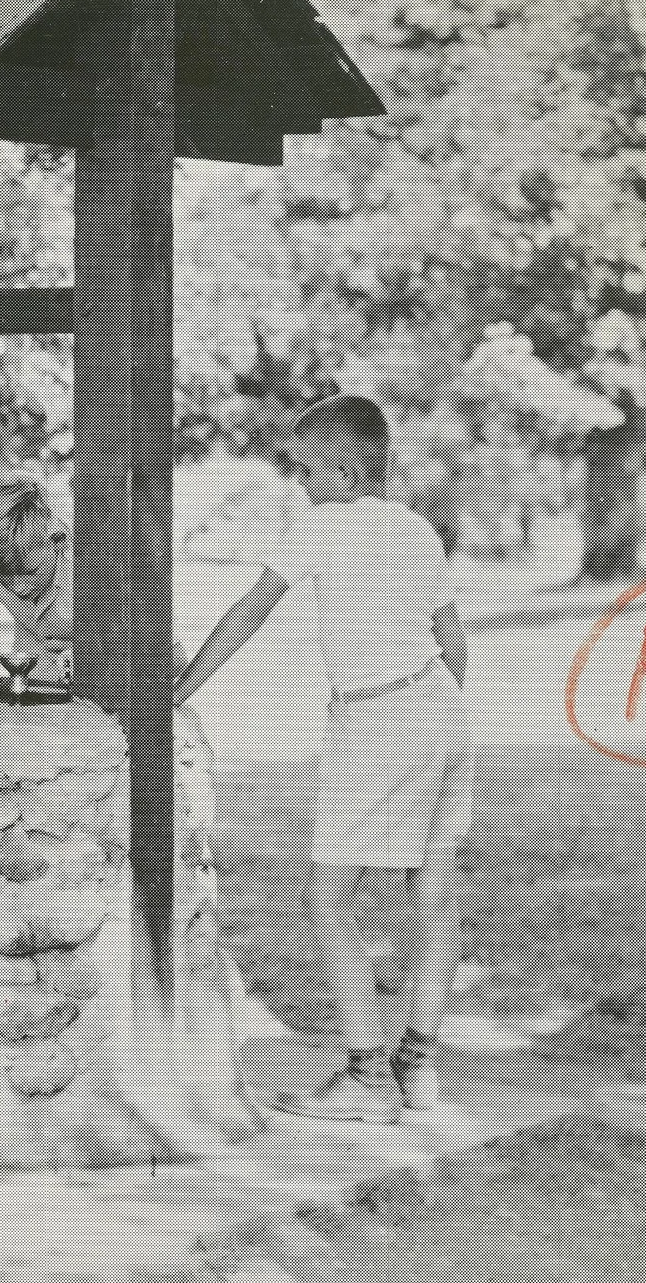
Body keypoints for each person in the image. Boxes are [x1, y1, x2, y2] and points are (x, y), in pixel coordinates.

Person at [174, 395, 472, 1123]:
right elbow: (453, 641)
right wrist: (430, 722)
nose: (299, 482)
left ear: (342, 471)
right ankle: (417, 1067)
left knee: (326, 898)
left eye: (306, 469)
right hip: (441, 708)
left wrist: (180, 687)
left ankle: (369, 1081)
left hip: (377, 721)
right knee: (434, 896)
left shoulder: (322, 523)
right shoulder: (418, 530)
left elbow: (251, 608)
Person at [0, 473, 74, 686]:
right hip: (36, 682)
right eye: (6, 575)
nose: (18, 588)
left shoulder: (93, 567)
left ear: (58, 542)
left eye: (30, 572)